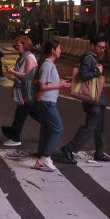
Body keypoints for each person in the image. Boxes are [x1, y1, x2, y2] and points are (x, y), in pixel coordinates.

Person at [60, 34, 110, 164]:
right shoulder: (89, 58)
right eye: (100, 47)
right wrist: (98, 72)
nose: (102, 50)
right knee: (90, 126)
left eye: (104, 48)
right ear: (92, 46)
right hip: (92, 100)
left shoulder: (93, 58)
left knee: (100, 127)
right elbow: (83, 75)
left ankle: (99, 153)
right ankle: (69, 149)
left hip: (98, 98)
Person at [32, 40, 70, 172]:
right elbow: (43, 85)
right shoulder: (47, 65)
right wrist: (60, 85)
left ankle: (40, 159)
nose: (60, 51)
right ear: (53, 50)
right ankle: (45, 157)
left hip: (47, 101)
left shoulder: (49, 64)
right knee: (57, 129)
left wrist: (60, 83)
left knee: (46, 131)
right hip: (47, 102)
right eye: (59, 48)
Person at [1, 34, 38, 147]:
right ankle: (50, 128)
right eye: (17, 45)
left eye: (19, 45)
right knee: (33, 113)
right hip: (25, 91)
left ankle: (15, 136)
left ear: (25, 45)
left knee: (21, 114)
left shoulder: (29, 58)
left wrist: (13, 72)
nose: (17, 47)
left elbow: (28, 76)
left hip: (28, 91)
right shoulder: (23, 56)